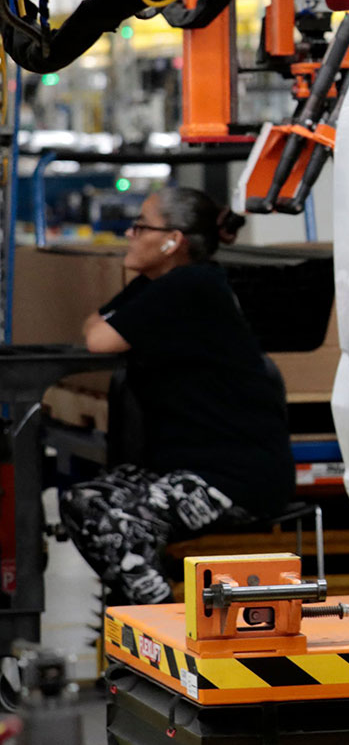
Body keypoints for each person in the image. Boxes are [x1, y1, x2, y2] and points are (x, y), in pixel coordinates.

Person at [65, 188, 294, 605]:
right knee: (83, 500)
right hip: (183, 467)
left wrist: (108, 323)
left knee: (117, 519)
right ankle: (148, 612)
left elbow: (98, 337)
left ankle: (162, 627)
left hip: (233, 477)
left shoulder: (191, 285)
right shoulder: (157, 284)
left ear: (173, 240)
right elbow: (94, 327)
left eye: (141, 226)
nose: (130, 234)